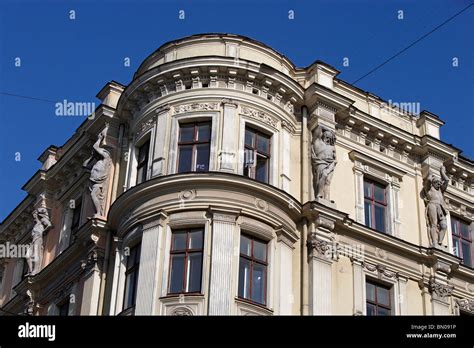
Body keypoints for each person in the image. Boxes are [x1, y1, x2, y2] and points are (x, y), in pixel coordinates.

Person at [83, 126, 112, 217]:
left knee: (93, 195)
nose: (96, 154)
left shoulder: (106, 157)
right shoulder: (97, 162)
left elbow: (95, 147)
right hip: (95, 180)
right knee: (93, 195)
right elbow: (85, 165)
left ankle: (99, 212)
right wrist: (92, 157)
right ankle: (98, 212)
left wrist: (99, 139)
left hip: (99, 181)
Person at [422, 166, 449, 247]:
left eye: (440, 182)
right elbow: (429, 180)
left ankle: (440, 242)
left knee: (444, 225)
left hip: (440, 207)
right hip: (432, 205)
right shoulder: (429, 189)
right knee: (434, 224)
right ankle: (434, 242)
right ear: (433, 183)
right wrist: (430, 174)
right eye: (437, 182)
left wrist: (442, 172)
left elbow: (447, 180)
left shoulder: (440, 190)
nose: (439, 184)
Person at [311, 125, 337, 201]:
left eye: (329, 138)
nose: (327, 139)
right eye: (326, 137)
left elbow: (335, 157)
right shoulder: (318, 142)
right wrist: (328, 129)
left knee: (328, 181)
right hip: (320, 163)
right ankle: (319, 194)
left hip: (331, 164)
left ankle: (327, 199)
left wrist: (334, 162)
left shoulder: (332, 147)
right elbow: (318, 128)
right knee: (323, 176)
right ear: (323, 136)